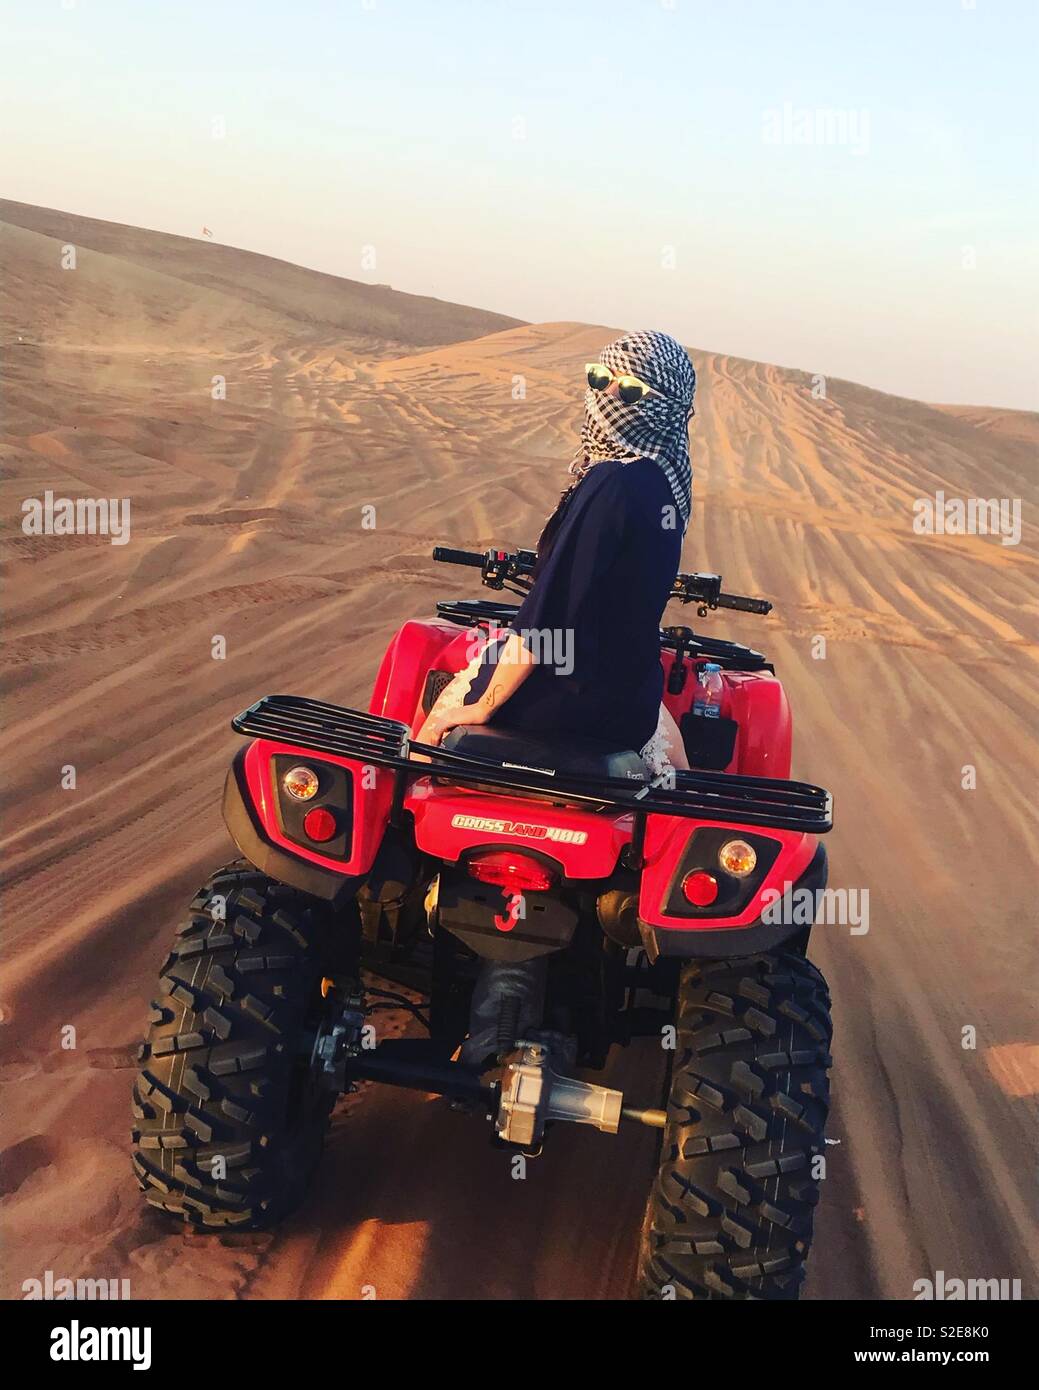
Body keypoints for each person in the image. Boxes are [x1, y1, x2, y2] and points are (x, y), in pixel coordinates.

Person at [417, 330, 696, 774]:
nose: (605, 395)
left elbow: (548, 621)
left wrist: (480, 707)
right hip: (625, 705)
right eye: (599, 378)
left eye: (628, 389)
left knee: (436, 718)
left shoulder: (611, 483)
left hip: (564, 701)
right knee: (675, 750)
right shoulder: (665, 489)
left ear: (663, 407)